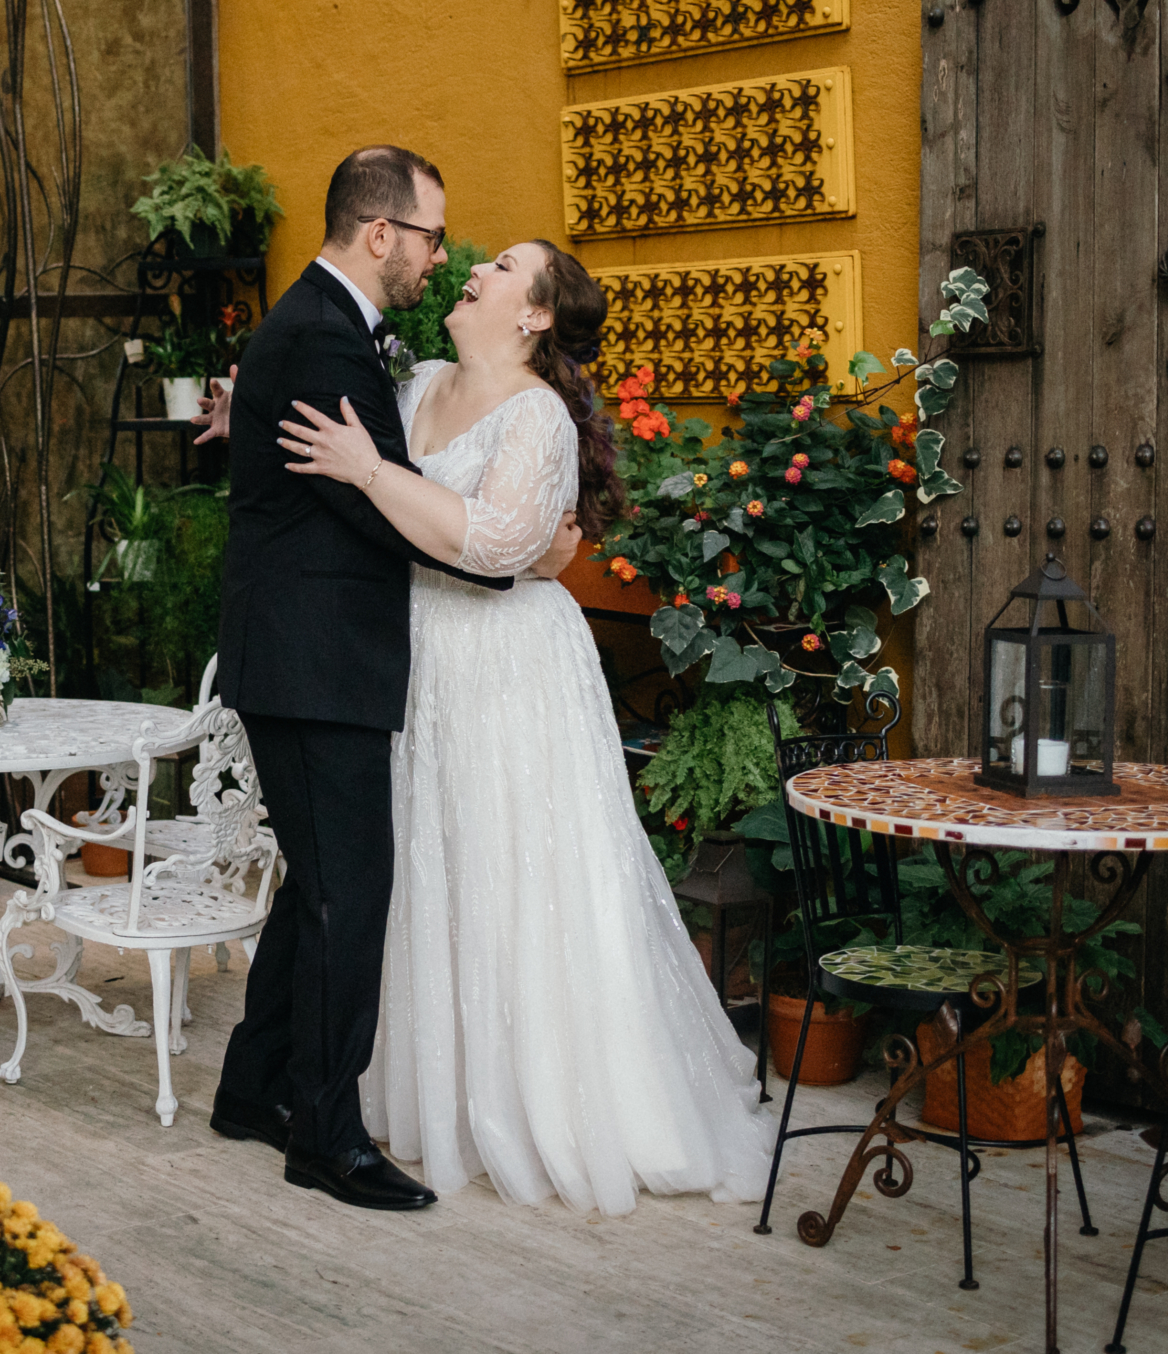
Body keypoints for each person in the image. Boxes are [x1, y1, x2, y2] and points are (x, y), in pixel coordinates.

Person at [274, 236, 773, 1214]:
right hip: (414, 655)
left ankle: (549, 1097)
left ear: (536, 314)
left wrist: (370, 476)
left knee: (520, 867)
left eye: (504, 265)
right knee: (428, 863)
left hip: (509, 665)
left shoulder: (538, 415)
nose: (478, 269)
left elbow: (503, 547)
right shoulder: (414, 384)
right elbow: (328, 457)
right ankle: (428, 1092)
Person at [208, 146, 579, 1212]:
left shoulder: (318, 329)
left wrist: (504, 539)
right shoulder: (324, 335)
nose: (437, 258)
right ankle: (327, 1134)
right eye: (428, 237)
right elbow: (381, 506)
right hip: (316, 661)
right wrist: (508, 553)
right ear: (381, 235)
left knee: (318, 888)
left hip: (306, 656)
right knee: (347, 899)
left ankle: (252, 1088)